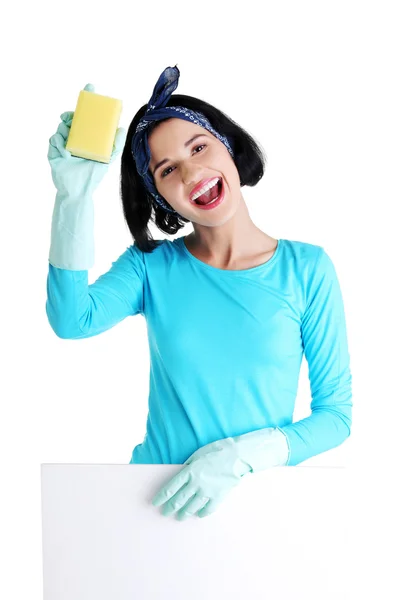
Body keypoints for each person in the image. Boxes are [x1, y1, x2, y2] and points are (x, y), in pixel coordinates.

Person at [46, 65, 352, 521]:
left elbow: (336, 416)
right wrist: (72, 199)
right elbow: (72, 320)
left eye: (199, 147)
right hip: (148, 504)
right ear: (161, 196)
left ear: (229, 147)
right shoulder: (150, 267)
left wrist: (242, 457)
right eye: (168, 169)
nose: (192, 172)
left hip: (254, 512)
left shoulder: (307, 270)